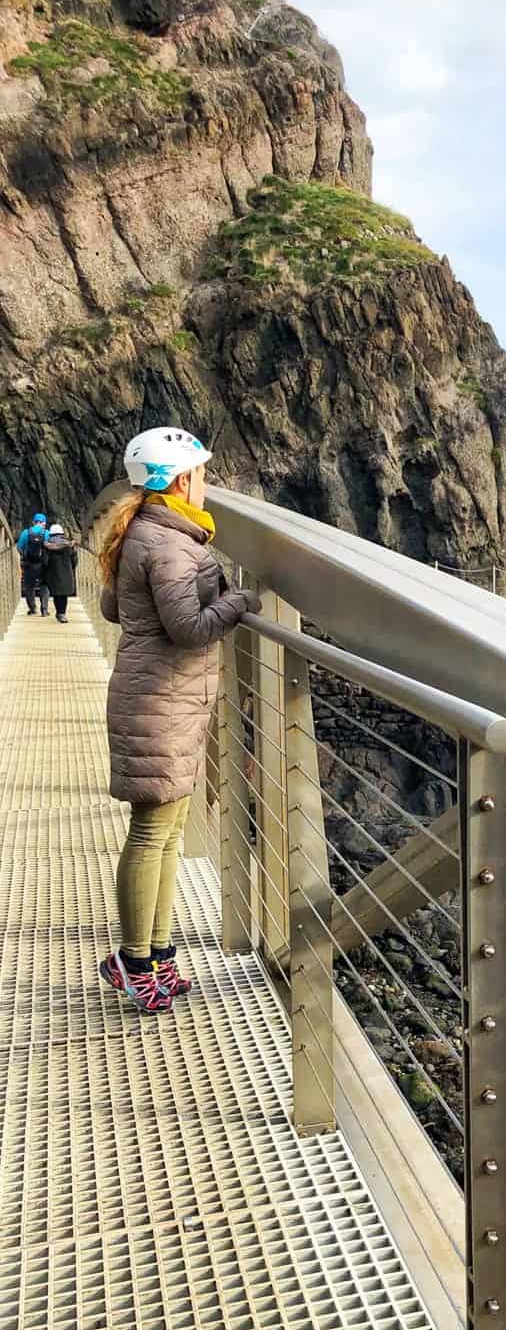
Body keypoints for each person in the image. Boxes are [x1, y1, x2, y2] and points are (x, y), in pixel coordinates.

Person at [97, 427, 260, 1013]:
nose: (208, 484)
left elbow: (113, 606)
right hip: (160, 702)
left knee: (165, 833)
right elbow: (190, 628)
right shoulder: (169, 544)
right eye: (203, 474)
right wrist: (238, 601)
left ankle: (158, 954)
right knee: (152, 833)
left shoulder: (144, 532)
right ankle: (133, 961)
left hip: (166, 699)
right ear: (181, 481)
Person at [42, 524, 77, 622]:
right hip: (66, 572)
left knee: (56, 594)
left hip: (52, 573)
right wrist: (71, 567)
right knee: (64, 595)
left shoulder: (47, 545)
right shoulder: (69, 545)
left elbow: (45, 561)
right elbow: (74, 561)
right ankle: (62, 613)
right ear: (62, 533)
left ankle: (59, 612)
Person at [18, 513, 50, 615]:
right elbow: (50, 548)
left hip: (29, 564)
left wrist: (24, 555)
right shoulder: (46, 533)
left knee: (29, 586)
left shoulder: (26, 533)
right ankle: (44, 609)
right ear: (44, 523)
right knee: (44, 585)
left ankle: (33, 609)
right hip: (43, 564)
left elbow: (19, 547)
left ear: (33, 522)